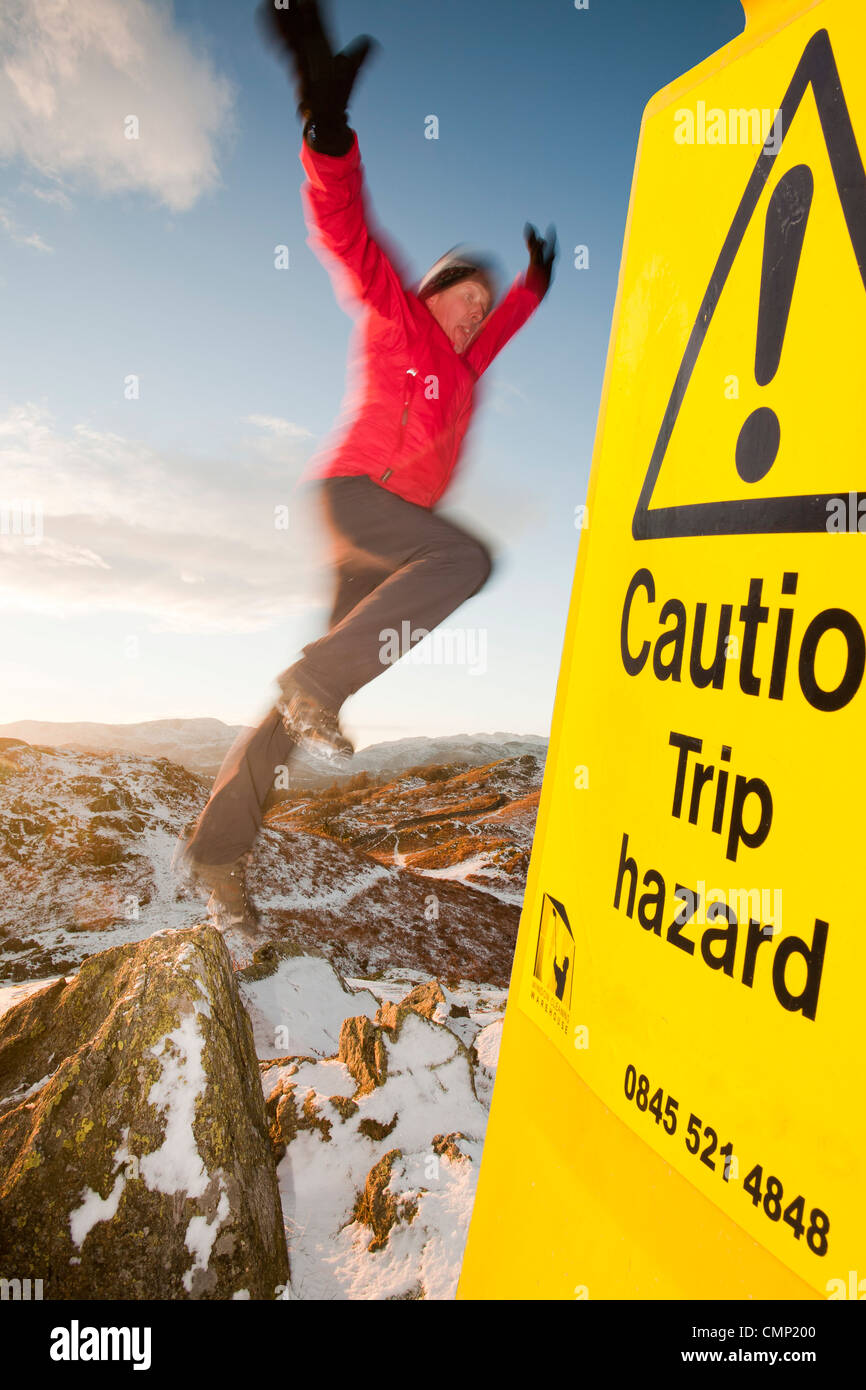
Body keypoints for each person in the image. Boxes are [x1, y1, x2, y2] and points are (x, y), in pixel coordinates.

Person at [175, 0, 557, 941]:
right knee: (465, 564)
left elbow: (495, 333)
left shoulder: (464, 366)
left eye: (478, 313)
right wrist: (327, 129)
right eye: (461, 303)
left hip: (386, 549)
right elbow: (344, 229)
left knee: (296, 704)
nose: (469, 321)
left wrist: (533, 291)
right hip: (359, 499)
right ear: (429, 294)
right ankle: (320, 684)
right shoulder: (396, 313)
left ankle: (217, 854)